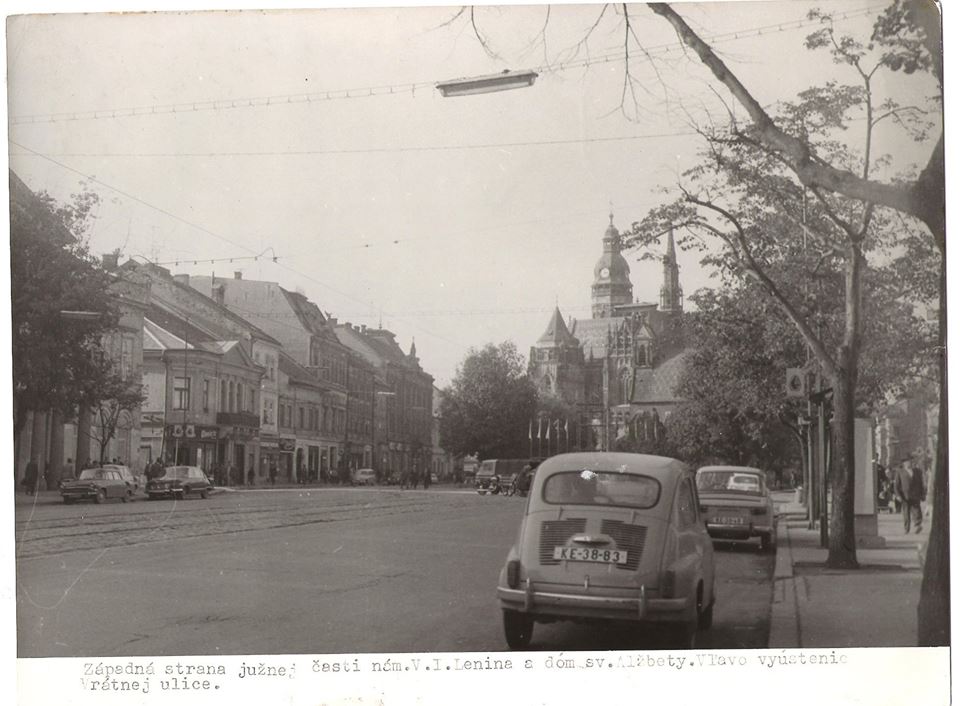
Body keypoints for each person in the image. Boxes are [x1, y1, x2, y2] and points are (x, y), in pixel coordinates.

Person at [894, 456, 926, 534]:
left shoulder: (917, 471)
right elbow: (896, 485)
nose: (909, 463)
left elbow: (921, 484)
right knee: (906, 512)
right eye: (907, 462)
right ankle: (906, 528)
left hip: (915, 495)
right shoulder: (900, 472)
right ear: (904, 464)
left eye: (910, 462)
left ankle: (918, 525)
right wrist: (898, 495)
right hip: (904, 496)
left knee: (917, 511)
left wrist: (922, 494)